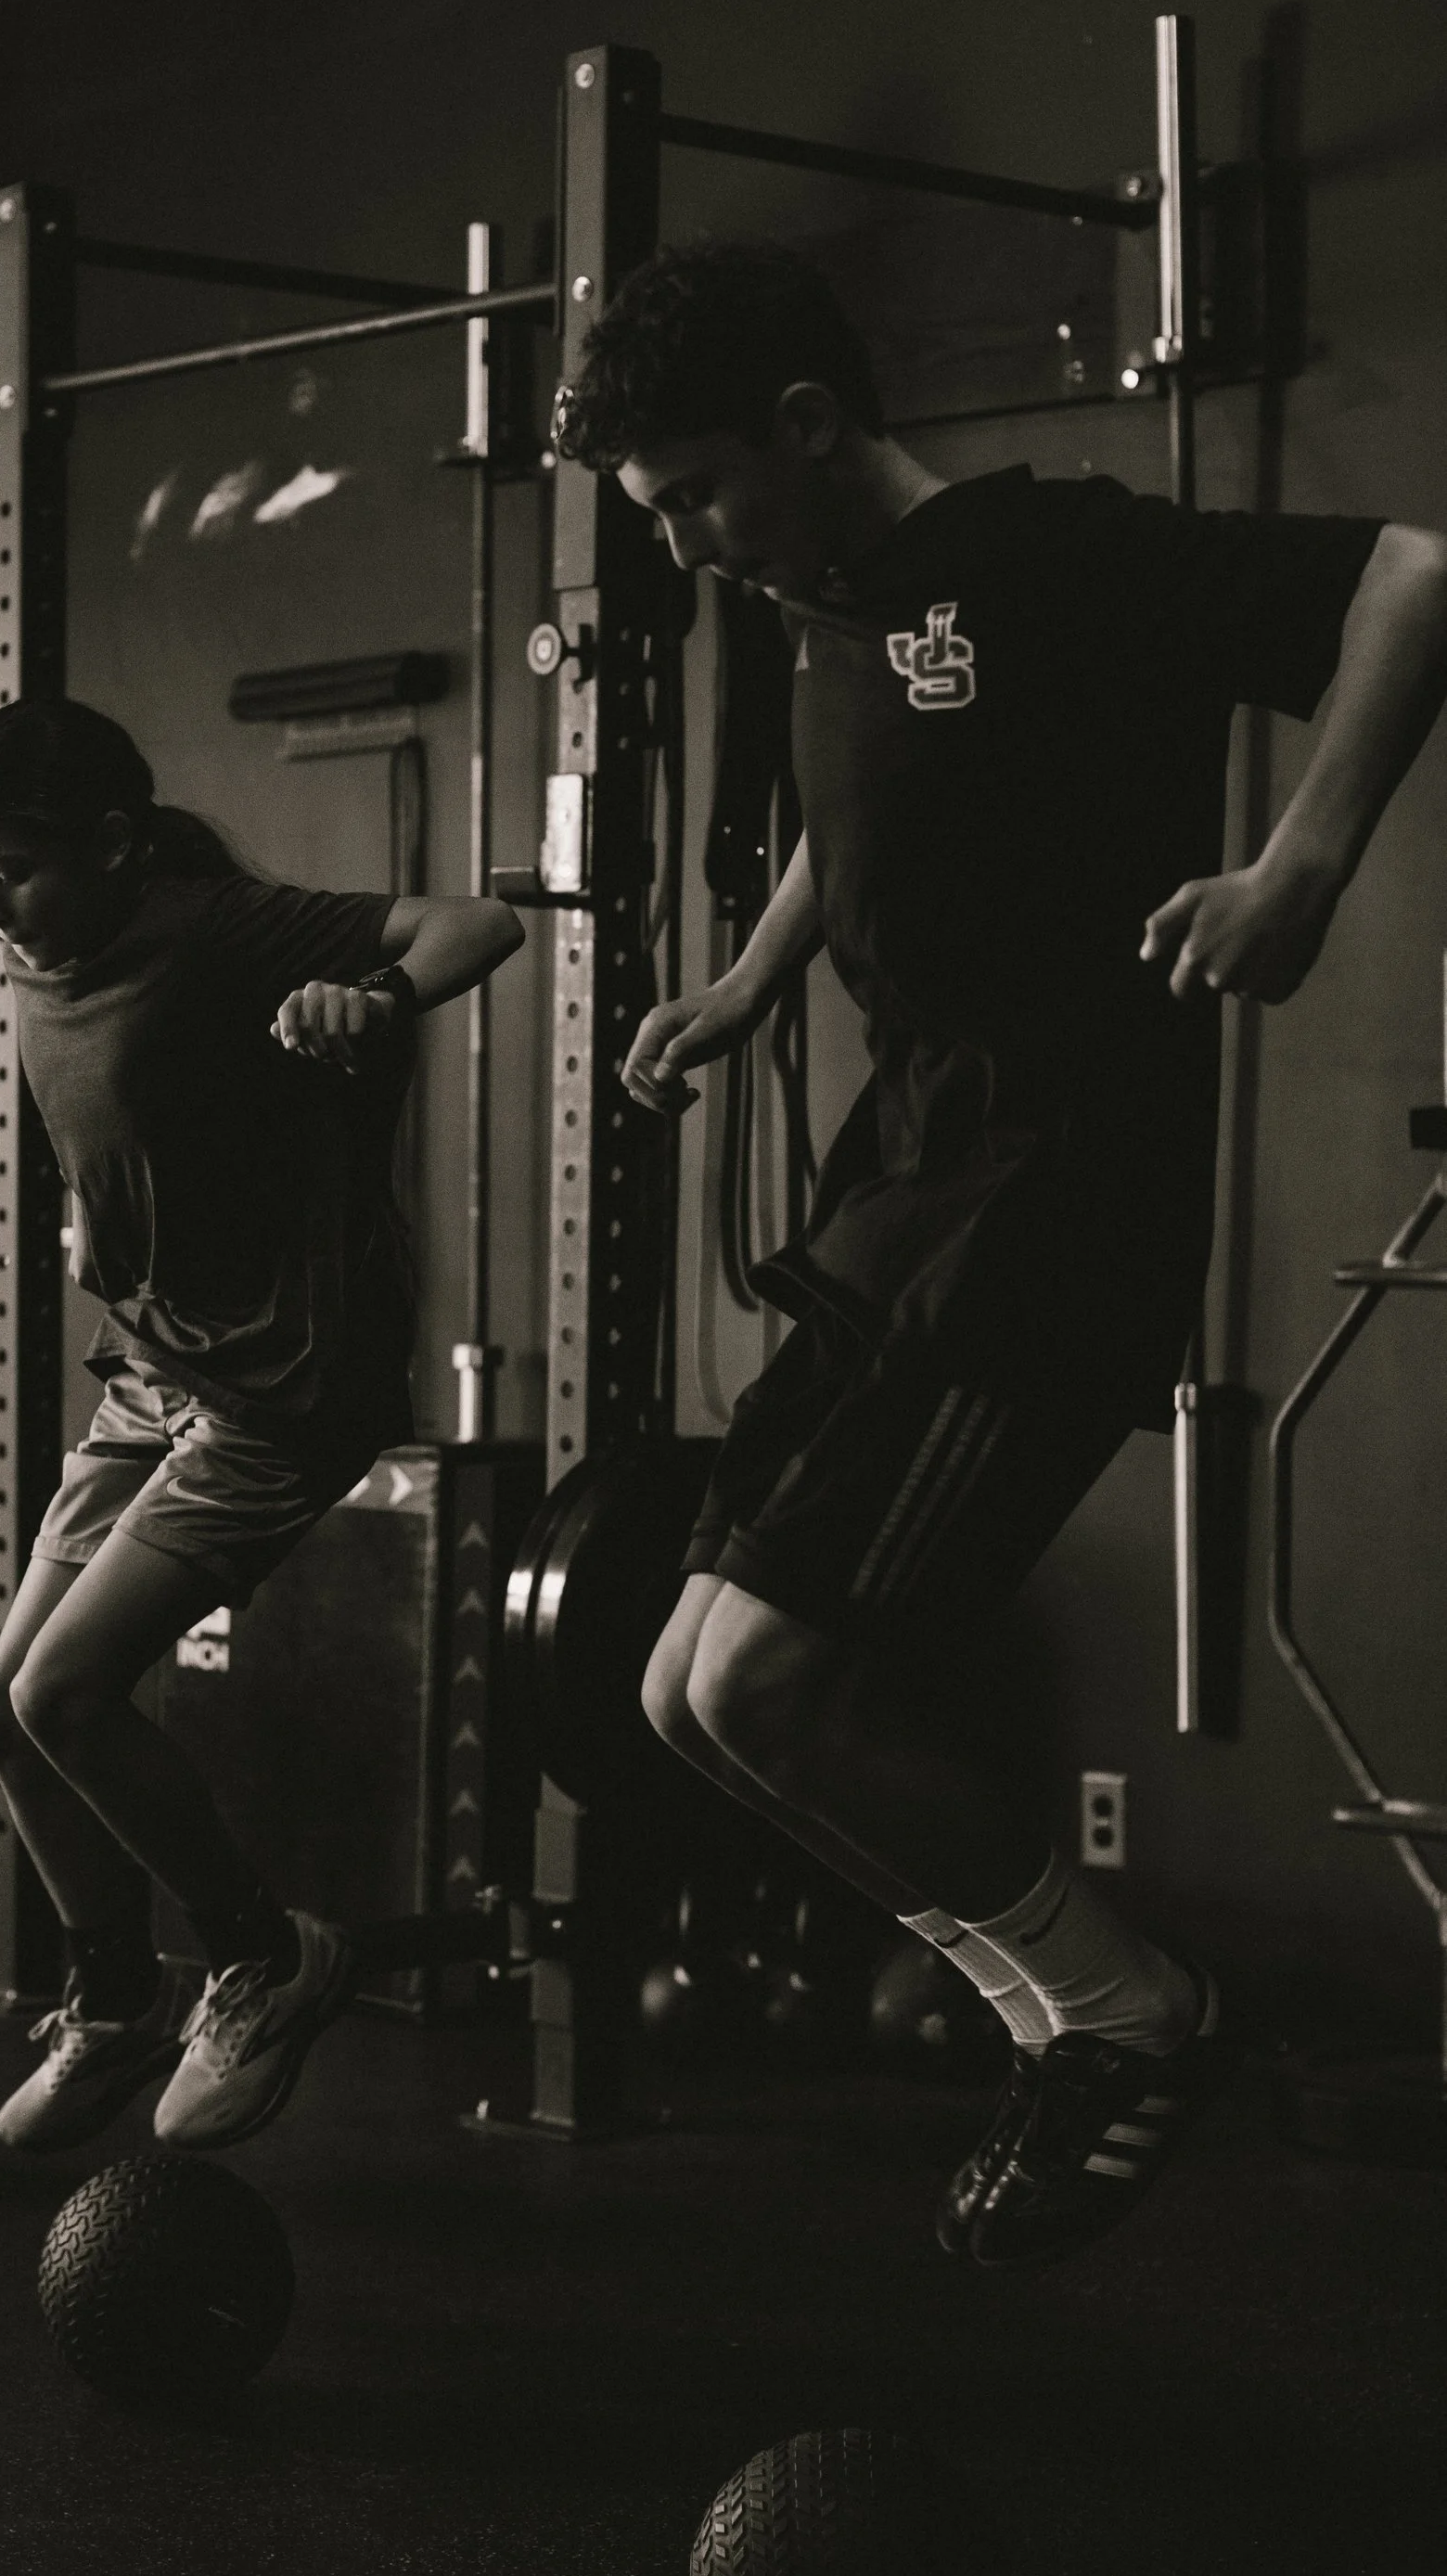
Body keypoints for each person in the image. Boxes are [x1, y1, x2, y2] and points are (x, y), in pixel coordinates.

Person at [555, 237, 1447, 2267]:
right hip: (906, 1180)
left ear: (803, 425)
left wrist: (1294, 866)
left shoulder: (1045, 558)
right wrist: (749, 980)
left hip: (1053, 1195)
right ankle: (1077, 2020)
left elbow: (1415, 571)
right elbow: (856, 816)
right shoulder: (824, 600)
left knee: (770, 1685)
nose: (686, 545)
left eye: (693, 495)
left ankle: (1129, 2020)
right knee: (682, 1694)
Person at [0, 697, 522, 2154]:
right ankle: (114, 1990)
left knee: (68, 1691)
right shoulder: (32, 954)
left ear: (117, 844)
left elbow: (474, 928)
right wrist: (93, 1215)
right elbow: (109, 1109)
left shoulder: (212, 927)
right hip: (151, 1372)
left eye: (9, 868)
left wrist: (375, 1002)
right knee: (2, 1712)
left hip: (278, 1395)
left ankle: (265, 1956)